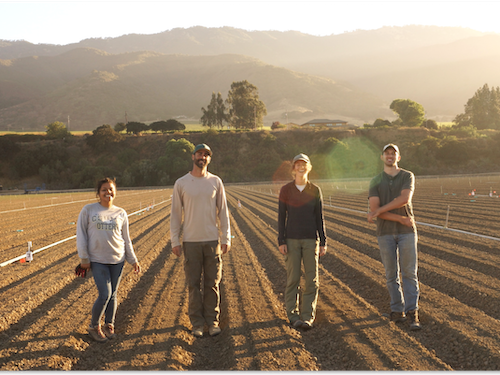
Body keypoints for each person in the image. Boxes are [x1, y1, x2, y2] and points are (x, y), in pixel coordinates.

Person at [170, 143, 231, 338]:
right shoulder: (181, 183)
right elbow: (175, 214)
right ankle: (196, 323)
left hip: (212, 240)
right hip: (191, 241)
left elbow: (223, 211)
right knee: (193, 284)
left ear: (209, 159)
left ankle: (212, 321)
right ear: (193, 156)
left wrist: (225, 237)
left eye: (206, 155)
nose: (202, 157)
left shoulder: (216, 182)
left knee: (212, 283)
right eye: (199, 154)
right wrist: (175, 241)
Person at [77, 177, 141, 342]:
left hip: (117, 259)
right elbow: (81, 235)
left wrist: (133, 260)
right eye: (104, 189)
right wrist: (84, 258)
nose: (108, 192)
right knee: (104, 294)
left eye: (111, 189)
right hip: (97, 260)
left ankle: (109, 324)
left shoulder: (120, 213)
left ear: (115, 192)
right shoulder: (89, 210)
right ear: (98, 193)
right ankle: (93, 326)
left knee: (113, 294)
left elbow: (126, 239)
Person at [367, 144, 421, 330]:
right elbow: (374, 210)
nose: (390, 156)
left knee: (409, 273)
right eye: (387, 153)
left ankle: (412, 312)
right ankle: (397, 311)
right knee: (391, 274)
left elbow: (404, 199)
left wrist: (379, 211)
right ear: (382, 157)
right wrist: (399, 218)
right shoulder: (375, 180)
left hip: (407, 233)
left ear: (398, 157)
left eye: (393, 153)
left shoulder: (407, 176)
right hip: (385, 232)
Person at [278, 153, 327, 330]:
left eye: (304, 164)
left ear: (309, 167)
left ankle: (307, 316)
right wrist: (281, 240)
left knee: (312, 280)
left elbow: (319, 217)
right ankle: (293, 315)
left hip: (310, 240)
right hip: (291, 240)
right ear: (293, 168)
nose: (301, 167)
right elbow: (281, 216)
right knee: (293, 278)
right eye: (298, 164)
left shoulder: (315, 190)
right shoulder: (286, 190)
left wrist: (323, 241)